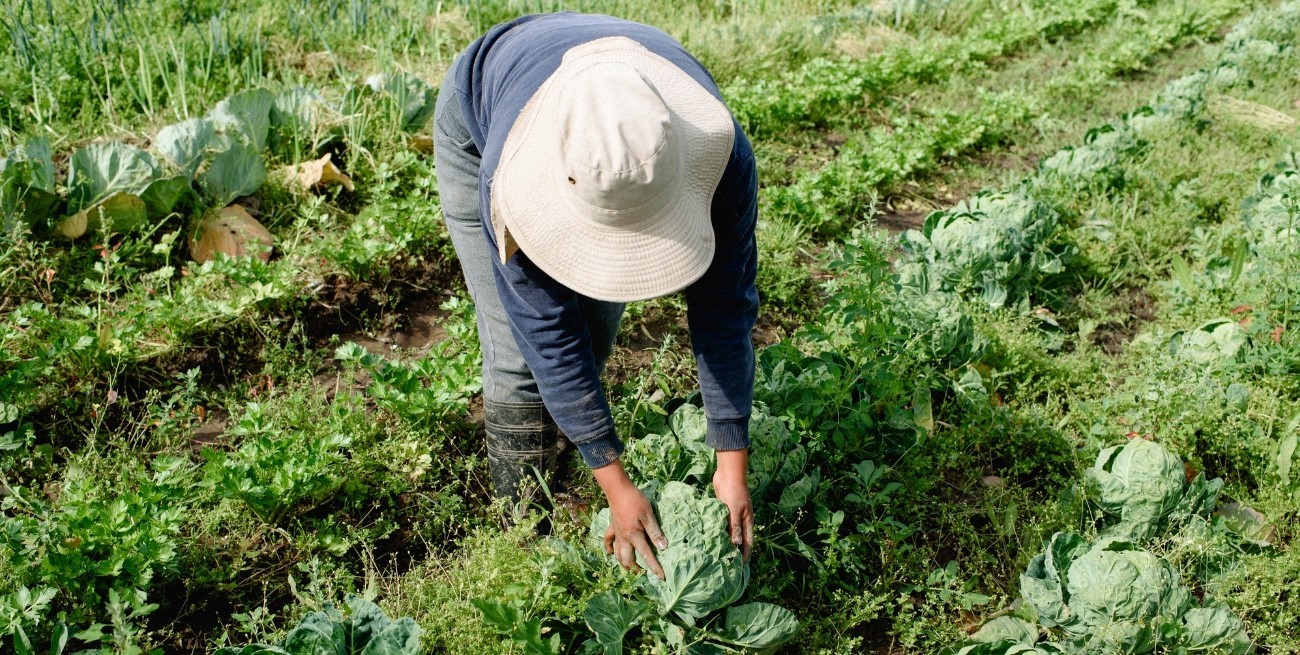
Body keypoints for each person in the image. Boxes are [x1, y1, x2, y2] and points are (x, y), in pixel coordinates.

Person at [432, 11, 759, 578]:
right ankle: (525, 538)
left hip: (610, 111)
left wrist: (732, 463)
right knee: (519, 356)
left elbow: (725, 306)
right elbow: (547, 333)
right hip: (486, 117)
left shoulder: (719, 153)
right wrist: (618, 481)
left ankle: (573, 464)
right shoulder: (508, 180)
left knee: (598, 329)